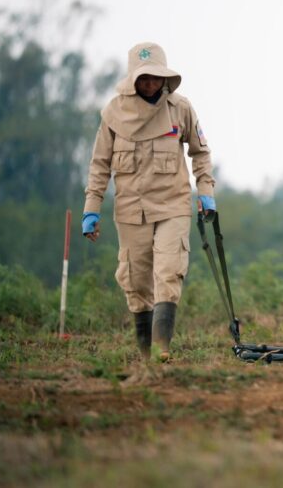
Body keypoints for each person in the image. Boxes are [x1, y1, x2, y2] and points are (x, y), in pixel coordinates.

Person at [82, 42, 216, 362]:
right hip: (131, 208)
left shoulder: (180, 108)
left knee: (169, 271)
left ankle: (161, 349)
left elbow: (200, 153)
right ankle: (146, 356)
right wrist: (91, 209)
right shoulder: (113, 113)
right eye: (144, 78)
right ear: (133, 80)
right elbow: (100, 164)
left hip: (172, 204)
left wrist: (206, 192)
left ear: (165, 77)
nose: (151, 83)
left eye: (156, 77)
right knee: (136, 280)